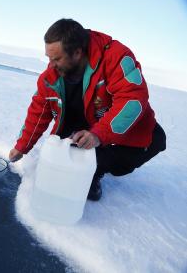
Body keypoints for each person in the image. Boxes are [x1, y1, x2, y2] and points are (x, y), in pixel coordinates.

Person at [9, 19, 166, 201]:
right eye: (48, 58)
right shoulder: (50, 76)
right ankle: (76, 165)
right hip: (74, 128)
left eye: (57, 58)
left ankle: (95, 170)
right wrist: (22, 147)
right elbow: (38, 111)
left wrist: (99, 134)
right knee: (67, 156)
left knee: (155, 140)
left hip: (105, 125)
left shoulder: (115, 57)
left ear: (77, 52)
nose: (50, 65)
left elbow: (132, 99)